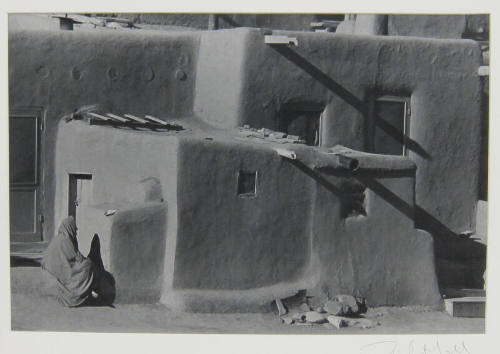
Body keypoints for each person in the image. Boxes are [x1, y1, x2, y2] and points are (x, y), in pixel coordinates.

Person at [41, 216, 100, 307]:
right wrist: (87, 261)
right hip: (62, 271)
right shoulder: (66, 240)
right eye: (74, 228)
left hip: (55, 268)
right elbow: (77, 258)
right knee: (88, 266)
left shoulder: (60, 238)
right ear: (69, 227)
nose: (76, 231)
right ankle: (79, 295)